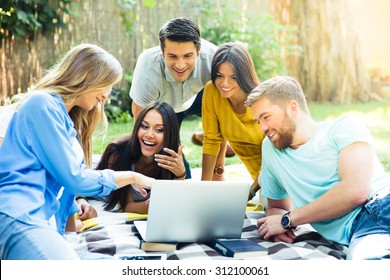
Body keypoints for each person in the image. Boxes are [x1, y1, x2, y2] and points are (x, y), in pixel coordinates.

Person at [0, 43, 154, 260]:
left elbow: (61, 184)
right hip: (18, 215)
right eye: (108, 85)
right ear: (89, 75)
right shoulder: (42, 104)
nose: (107, 95)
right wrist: (132, 176)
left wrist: (70, 228)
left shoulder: (65, 120)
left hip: (38, 220)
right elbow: (75, 178)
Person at [245, 76, 390, 260]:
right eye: (258, 121)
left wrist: (288, 220)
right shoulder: (271, 149)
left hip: (382, 202)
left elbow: (356, 191)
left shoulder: (343, 128)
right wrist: (277, 225)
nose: (262, 128)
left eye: (266, 117)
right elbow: (277, 207)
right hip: (360, 229)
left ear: (292, 108)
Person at [129, 16, 234, 179]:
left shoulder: (214, 59)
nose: (180, 65)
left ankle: (210, 137)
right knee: (182, 176)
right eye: (172, 56)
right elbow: (140, 115)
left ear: (199, 51)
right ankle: (201, 138)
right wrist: (144, 161)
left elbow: (224, 113)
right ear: (162, 52)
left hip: (199, 97)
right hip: (165, 109)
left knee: (226, 110)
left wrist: (218, 169)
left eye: (187, 56)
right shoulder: (148, 69)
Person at [96, 102, 190, 214]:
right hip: (100, 197)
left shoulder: (173, 158)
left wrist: (180, 175)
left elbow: (181, 202)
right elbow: (127, 207)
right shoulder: (117, 152)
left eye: (159, 130)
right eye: (144, 126)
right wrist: (161, 204)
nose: (149, 134)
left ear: (170, 135)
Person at [201, 42, 265, 200]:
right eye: (219, 75)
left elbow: (279, 160)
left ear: (244, 76)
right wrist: (202, 190)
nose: (225, 84)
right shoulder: (212, 91)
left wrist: (250, 192)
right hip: (257, 178)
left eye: (233, 78)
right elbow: (212, 139)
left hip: (276, 175)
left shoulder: (263, 100)